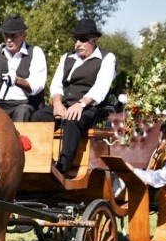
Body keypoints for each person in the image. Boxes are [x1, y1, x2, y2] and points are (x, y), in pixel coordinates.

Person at [31, 18, 116, 176]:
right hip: (65, 104)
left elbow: (101, 89)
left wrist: (81, 104)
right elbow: (56, 84)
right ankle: (38, 163)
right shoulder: (67, 58)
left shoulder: (106, 58)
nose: (78, 44)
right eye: (76, 39)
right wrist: (57, 103)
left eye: (83, 40)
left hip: (92, 107)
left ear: (94, 40)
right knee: (38, 116)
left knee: (72, 119)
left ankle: (63, 168)